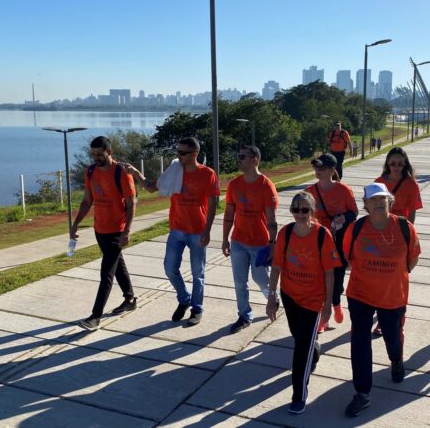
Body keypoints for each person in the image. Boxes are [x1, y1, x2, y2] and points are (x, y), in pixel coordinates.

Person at [342, 183, 421, 418]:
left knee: (392, 336)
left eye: (382, 198)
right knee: (359, 341)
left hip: (393, 296)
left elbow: (412, 259)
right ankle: (362, 393)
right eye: (373, 199)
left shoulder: (405, 227)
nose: (378, 202)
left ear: (390, 201)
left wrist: (394, 275)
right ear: (365, 204)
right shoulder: (356, 229)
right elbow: (349, 258)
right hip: (360, 294)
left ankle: (396, 360)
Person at [130, 137, 219, 326]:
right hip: (177, 230)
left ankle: (197, 308)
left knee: (198, 273)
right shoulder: (174, 170)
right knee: (170, 269)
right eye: (177, 152)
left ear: (194, 154)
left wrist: (207, 230)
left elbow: (213, 204)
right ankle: (184, 299)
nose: (178, 156)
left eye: (182, 153)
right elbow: (152, 187)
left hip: (197, 231)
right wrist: (136, 172)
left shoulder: (207, 174)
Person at [265, 191, 339, 415]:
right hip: (290, 296)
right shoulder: (286, 233)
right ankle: (313, 348)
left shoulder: (322, 235)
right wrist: (272, 297)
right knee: (300, 337)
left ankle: (299, 394)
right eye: (295, 209)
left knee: (300, 350)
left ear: (312, 211)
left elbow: (329, 272)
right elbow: (276, 267)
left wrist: (327, 303)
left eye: (304, 209)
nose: (299, 214)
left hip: (313, 299)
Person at [70, 136, 138, 330]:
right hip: (100, 229)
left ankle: (95, 316)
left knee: (106, 272)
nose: (96, 158)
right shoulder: (90, 171)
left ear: (110, 152)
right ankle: (130, 299)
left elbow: (132, 203)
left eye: (100, 154)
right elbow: (86, 201)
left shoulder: (122, 173)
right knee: (118, 266)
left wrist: (127, 231)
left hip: (117, 230)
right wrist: (75, 225)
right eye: (93, 154)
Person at [222, 146, 279, 334]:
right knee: (240, 281)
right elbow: (229, 214)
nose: (239, 160)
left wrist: (272, 244)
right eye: (239, 156)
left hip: (259, 242)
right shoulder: (234, 184)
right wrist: (225, 239)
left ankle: (272, 296)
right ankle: (244, 315)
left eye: (242, 156)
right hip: (238, 240)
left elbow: (271, 220)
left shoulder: (266, 185)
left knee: (260, 277)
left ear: (255, 160)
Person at [372, 147, 422, 336]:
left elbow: (413, 211)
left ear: (405, 164)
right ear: (387, 164)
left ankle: (392, 316)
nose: (396, 167)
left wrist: (409, 235)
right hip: (378, 232)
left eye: (400, 163)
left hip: (399, 233)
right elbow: (371, 207)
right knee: (378, 274)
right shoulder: (379, 182)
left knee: (396, 276)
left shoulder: (411, 184)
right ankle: (379, 312)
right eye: (393, 163)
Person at [306, 153, 358, 332]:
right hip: (318, 244)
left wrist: (342, 218)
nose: (317, 171)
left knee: (336, 284)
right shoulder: (309, 192)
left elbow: (354, 213)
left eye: (321, 168)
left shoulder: (344, 190)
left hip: (340, 244)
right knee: (319, 282)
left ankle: (336, 303)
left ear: (332, 170)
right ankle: (323, 319)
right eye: (316, 167)